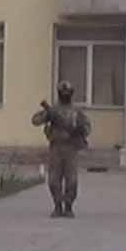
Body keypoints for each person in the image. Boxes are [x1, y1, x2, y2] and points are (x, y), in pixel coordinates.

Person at [31, 80, 92, 218]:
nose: (65, 94)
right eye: (62, 92)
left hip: (71, 148)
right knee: (54, 179)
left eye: (67, 92)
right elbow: (35, 120)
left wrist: (79, 130)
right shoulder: (53, 110)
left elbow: (87, 127)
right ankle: (57, 205)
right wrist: (47, 115)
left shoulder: (76, 112)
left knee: (72, 180)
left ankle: (68, 206)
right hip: (56, 147)